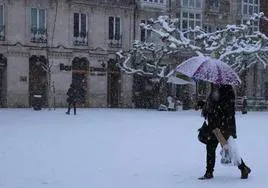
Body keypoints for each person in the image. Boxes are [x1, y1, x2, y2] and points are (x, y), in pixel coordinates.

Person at [199, 84, 251, 180]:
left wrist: (216, 111)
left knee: (229, 149)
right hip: (214, 125)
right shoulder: (215, 89)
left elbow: (228, 110)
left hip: (222, 127)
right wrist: (204, 106)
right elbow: (212, 105)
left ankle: (243, 168)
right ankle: (209, 172)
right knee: (210, 147)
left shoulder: (227, 91)